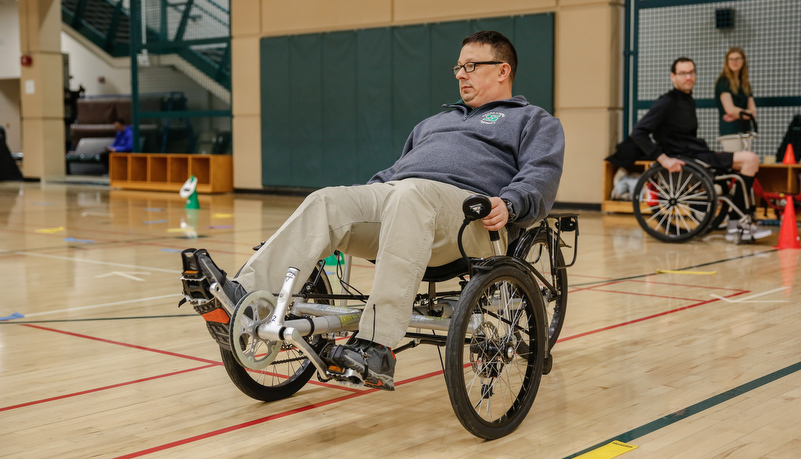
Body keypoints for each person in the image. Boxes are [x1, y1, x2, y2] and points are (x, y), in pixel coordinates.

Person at [183, 30, 565, 391]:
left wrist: (511, 203)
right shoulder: (434, 123)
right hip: (404, 199)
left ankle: (375, 346)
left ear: (503, 70)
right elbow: (394, 174)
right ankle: (244, 301)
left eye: (471, 66)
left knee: (410, 194)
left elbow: (540, 175)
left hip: (470, 220)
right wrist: (361, 199)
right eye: (458, 68)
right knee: (328, 199)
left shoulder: (533, 121)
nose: (461, 75)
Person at [628, 57, 769, 241]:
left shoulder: (687, 100)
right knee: (750, 159)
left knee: (748, 162)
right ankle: (736, 226)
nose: (688, 77)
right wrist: (663, 159)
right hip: (687, 157)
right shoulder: (667, 102)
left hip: (696, 153)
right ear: (673, 76)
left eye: (691, 72)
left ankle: (738, 223)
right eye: (683, 73)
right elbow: (638, 132)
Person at [715, 47, 756, 137]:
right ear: (727, 61)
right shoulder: (724, 82)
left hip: (745, 129)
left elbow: (753, 112)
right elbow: (729, 109)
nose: (734, 62)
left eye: (737, 59)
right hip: (730, 129)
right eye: (731, 59)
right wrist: (746, 114)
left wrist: (737, 114)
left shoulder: (745, 83)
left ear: (743, 60)